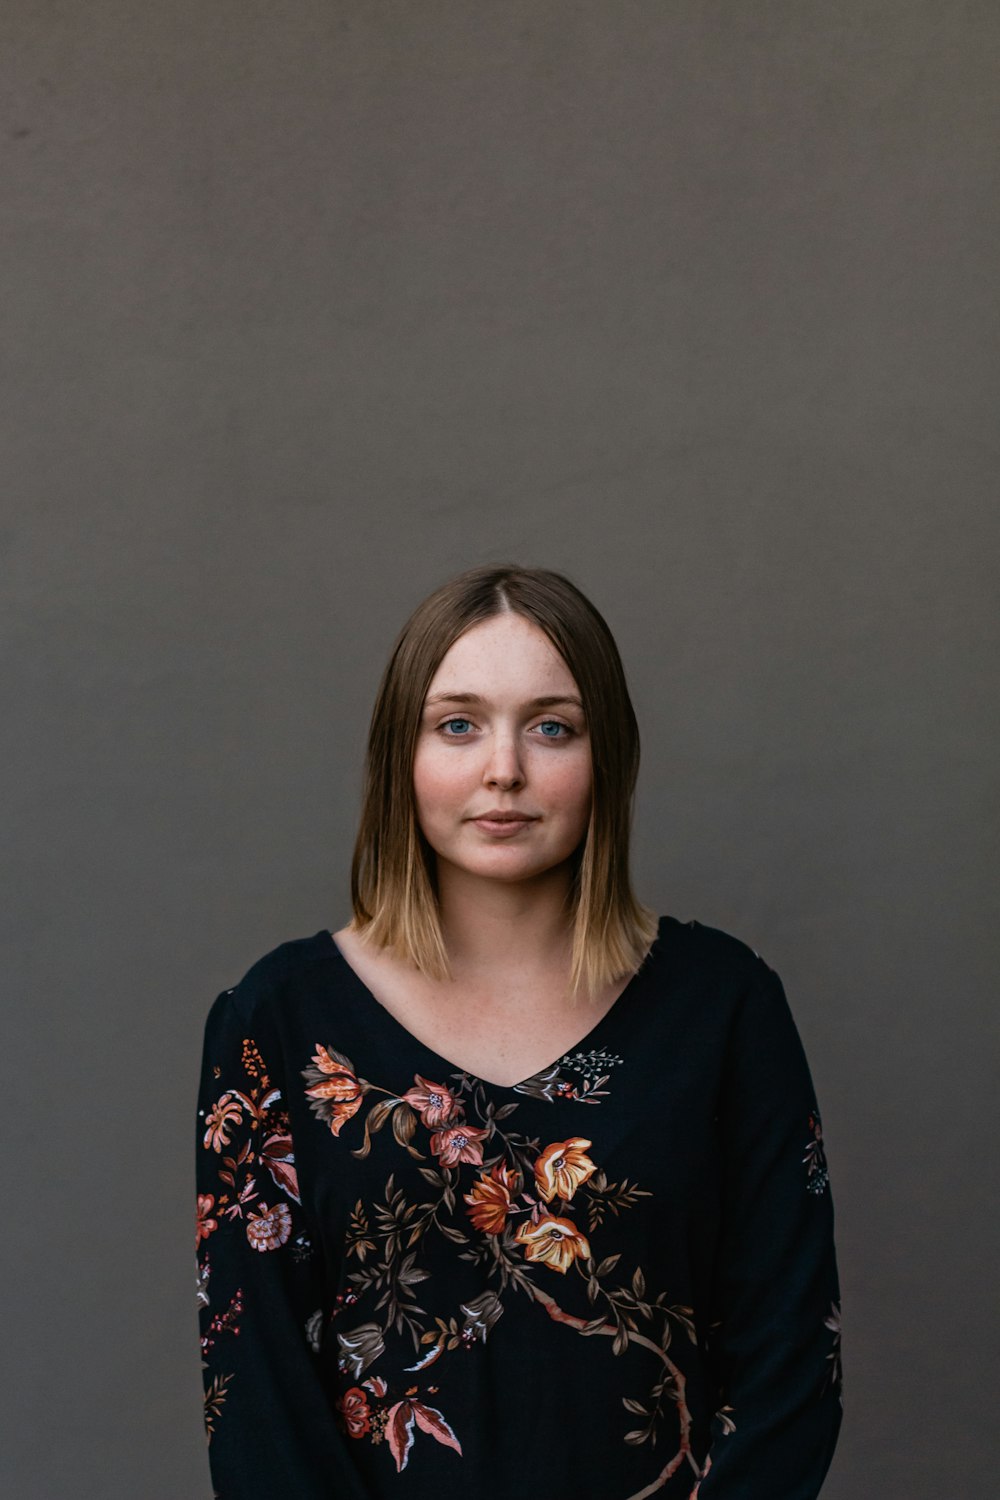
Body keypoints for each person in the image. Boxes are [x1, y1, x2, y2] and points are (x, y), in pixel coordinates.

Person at [194, 562, 843, 1499]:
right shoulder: (280, 1023)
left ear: (606, 755)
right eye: (458, 724)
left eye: (552, 727)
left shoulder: (725, 1009)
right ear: (400, 757)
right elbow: (257, 1399)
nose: (505, 769)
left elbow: (792, 1362)